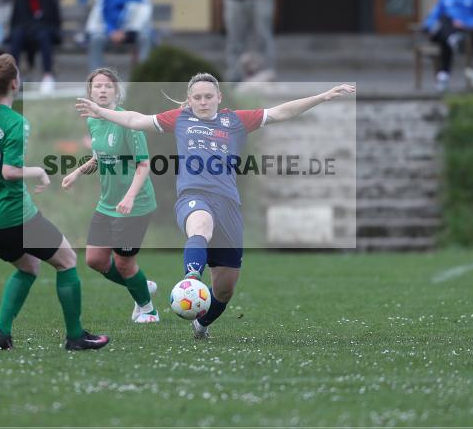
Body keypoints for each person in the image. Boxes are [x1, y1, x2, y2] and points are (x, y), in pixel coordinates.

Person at [76, 73, 355, 339]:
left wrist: (322, 96)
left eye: (208, 96)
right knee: (200, 225)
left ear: (219, 96)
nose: (203, 101)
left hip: (229, 205)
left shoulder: (235, 121)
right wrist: (101, 112)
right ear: (189, 98)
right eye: (197, 97)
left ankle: (201, 322)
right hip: (193, 195)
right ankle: (191, 280)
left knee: (224, 290)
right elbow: (136, 120)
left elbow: (282, 112)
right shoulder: (180, 119)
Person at [0, 54, 110, 351]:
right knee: (67, 261)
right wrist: (38, 171)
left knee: (28, 267)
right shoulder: (16, 123)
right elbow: (9, 172)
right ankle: (76, 336)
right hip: (13, 215)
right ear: (15, 83)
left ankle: (1, 332)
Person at [62, 68, 160, 323]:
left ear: (117, 91)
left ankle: (148, 309)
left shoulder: (129, 121)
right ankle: (140, 285)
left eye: (107, 86)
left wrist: (128, 197)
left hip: (135, 204)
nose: (102, 90)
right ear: (90, 91)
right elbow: (100, 156)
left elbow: (144, 165)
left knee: (125, 263)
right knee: (95, 259)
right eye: (97, 86)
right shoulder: (93, 120)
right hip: (108, 203)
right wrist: (77, 172)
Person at [86, 0, 151, 70]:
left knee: (145, 37)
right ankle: (97, 77)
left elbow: (144, 14)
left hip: (131, 33)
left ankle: (142, 77)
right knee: (96, 39)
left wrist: (126, 33)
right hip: (109, 32)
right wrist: (111, 31)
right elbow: (99, 13)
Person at [9, 0, 60, 93]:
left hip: (46, 33)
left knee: (43, 35)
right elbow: (16, 22)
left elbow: (52, 21)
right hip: (27, 34)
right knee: (16, 36)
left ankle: (47, 76)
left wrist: (34, 26)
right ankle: (12, 76)